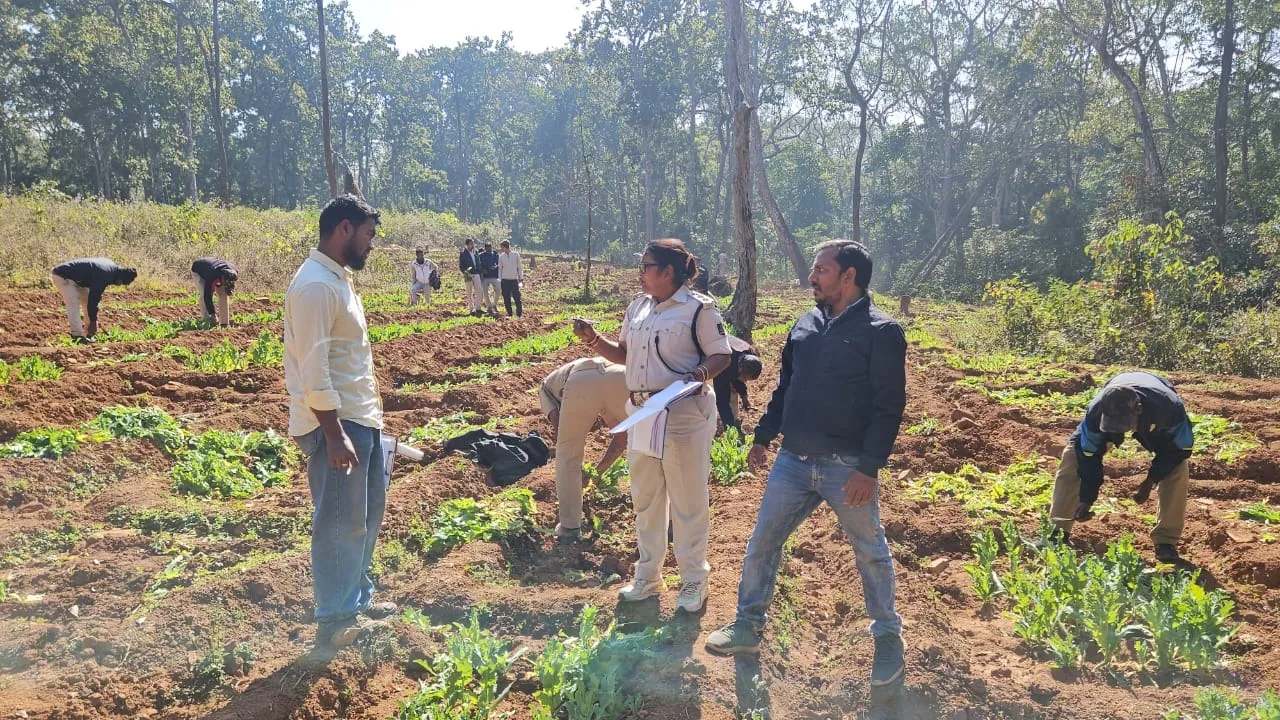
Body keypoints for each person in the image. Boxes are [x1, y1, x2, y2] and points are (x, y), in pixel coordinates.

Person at [704, 239, 908, 698]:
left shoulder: (882, 332)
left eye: (821, 270)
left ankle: (887, 638)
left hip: (848, 468)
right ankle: (748, 625)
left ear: (848, 277)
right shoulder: (806, 324)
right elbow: (786, 388)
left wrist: (869, 469)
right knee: (762, 542)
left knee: (870, 551)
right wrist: (762, 436)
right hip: (793, 462)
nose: (811, 278)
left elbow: (888, 406)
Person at [573, 238, 732, 613]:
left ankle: (694, 578)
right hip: (643, 412)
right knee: (646, 498)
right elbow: (624, 355)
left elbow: (722, 354)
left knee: (688, 501)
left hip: (682, 413)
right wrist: (594, 339)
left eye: (645, 266)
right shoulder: (638, 307)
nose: (640, 273)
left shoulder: (698, 310)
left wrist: (700, 373)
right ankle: (648, 575)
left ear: (667, 272)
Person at [283, 194, 394, 649]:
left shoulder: (338, 281)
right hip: (336, 424)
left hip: (358, 418)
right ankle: (334, 614)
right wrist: (334, 435)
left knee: (364, 518)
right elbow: (315, 368)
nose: (371, 244)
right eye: (368, 234)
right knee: (338, 521)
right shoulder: (314, 287)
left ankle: (356, 599)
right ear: (344, 229)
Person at [1049, 371, 1193, 561]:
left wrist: (1151, 480)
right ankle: (1058, 532)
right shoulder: (1097, 412)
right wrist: (1086, 498)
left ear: (1138, 410)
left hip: (1155, 414)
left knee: (1177, 469)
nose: (1119, 429)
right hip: (1116, 393)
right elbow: (1088, 455)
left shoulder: (1169, 409)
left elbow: (1180, 449)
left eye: (1123, 424)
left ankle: (1166, 541)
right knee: (1073, 457)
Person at [538, 357, 628, 541]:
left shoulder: (545, 389)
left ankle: (569, 528)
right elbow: (622, 438)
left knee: (567, 453)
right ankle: (665, 522)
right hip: (619, 374)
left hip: (581, 380)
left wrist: (580, 473)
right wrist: (595, 473)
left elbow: (564, 437)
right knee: (646, 445)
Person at [50, 257, 138, 342]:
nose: (118, 285)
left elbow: (92, 300)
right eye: (121, 283)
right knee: (73, 302)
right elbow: (94, 299)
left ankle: (90, 334)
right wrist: (93, 321)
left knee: (86, 302)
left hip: (78, 280)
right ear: (120, 278)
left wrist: (93, 320)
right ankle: (77, 335)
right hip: (62, 275)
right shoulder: (104, 274)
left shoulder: (111, 267)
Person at [714, 337, 763, 433]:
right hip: (711, 349)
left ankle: (734, 421)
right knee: (724, 399)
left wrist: (744, 396)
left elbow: (739, 380)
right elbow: (722, 402)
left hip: (731, 351)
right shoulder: (723, 363)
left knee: (734, 388)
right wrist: (732, 430)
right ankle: (730, 428)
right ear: (739, 368)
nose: (745, 381)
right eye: (745, 379)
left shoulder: (751, 355)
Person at [190, 257, 238, 327]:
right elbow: (207, 296)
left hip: (214, 268)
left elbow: (229, 287)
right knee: (204, 295)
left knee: (223, 295)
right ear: (222, 277)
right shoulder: (212, 275)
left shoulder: (234, 272)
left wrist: (228, 289)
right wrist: (212, 314)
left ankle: (224, 324)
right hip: (198, 270)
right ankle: (206, 320)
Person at [497, 240, 524, 317]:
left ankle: (519, 314)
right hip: (505, 280)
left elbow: (519, 267)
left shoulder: (515, 255)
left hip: (514, 280)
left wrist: (521, 278)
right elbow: (500, 269)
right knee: (506, 298)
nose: (501, 249)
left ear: (506, 247)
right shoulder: (501, 256)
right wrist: (500, 279)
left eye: (502, 247)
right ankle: (510, 314)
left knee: (517, 297)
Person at [458, 239, 483, 316]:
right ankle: (472, 309)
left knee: (479, 291)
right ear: (467, 245)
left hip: (476, 273)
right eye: (471, 244)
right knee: (469, 292)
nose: (473, 245)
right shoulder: (463, 254)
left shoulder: (475, 252)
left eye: (473, 244)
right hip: (468, 274)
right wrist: (465, 272)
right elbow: (461, 266)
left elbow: (478, 262)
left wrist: (480, 271)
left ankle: (478, 308)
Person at [477, 241, 501, 315]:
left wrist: (496, 267)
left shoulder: (496, 255)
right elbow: (478, 265)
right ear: (485, 249)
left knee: (498, 289)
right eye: (487, 248)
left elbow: (499, 263)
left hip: (494, 276)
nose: (489, 250)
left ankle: (494, 304)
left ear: (491, 247)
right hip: (485, 277)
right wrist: (482, 270)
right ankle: (489, 307)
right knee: (485, 292)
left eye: (490, 248)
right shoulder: (481, 256)